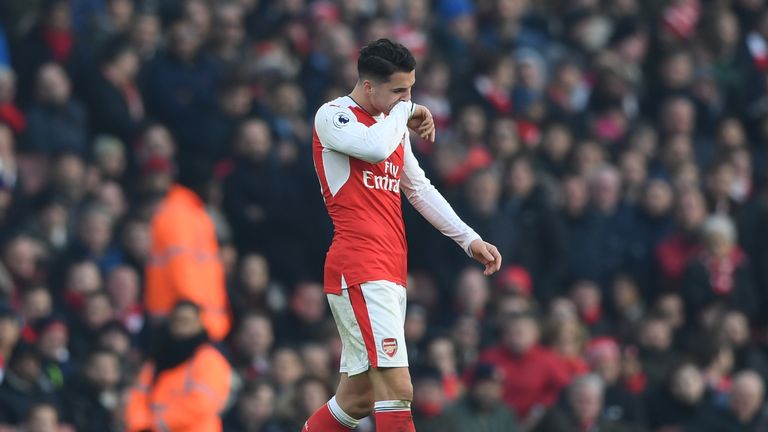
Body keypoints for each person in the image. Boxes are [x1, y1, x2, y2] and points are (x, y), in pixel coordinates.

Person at [303, 38, 502, 432]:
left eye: (410, 89)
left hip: (390, 269)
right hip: (360, 265)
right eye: (399, 90)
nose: (407, 98)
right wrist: (406, 112)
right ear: (369, 85)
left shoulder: (388, 125)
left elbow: (418, 188)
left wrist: (468, 238)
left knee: (358, 397)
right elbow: (375, 150)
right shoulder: (334, 115)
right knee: (398, 387)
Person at [124, 301, 232, 432]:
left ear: (199, 324)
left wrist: (156, 424)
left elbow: (202, 403)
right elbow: (138, 396)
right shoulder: (157, 359)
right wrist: (140, 426)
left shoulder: (210, 360)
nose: (180, 325)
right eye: (177, 320)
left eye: (186, 321)